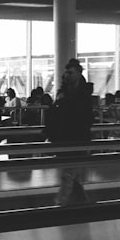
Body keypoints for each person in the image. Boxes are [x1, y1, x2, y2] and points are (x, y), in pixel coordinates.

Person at [46, 58, 94, 206]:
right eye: (66, 73)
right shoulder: (64, 92)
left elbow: (84, 115)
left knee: (69, 173)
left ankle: (61, 202)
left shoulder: (83, 93)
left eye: (71, 72)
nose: (68, 75)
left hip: (77, 137)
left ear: (79, 73)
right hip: (65, 137)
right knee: (73, 173)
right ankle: (82, 201)